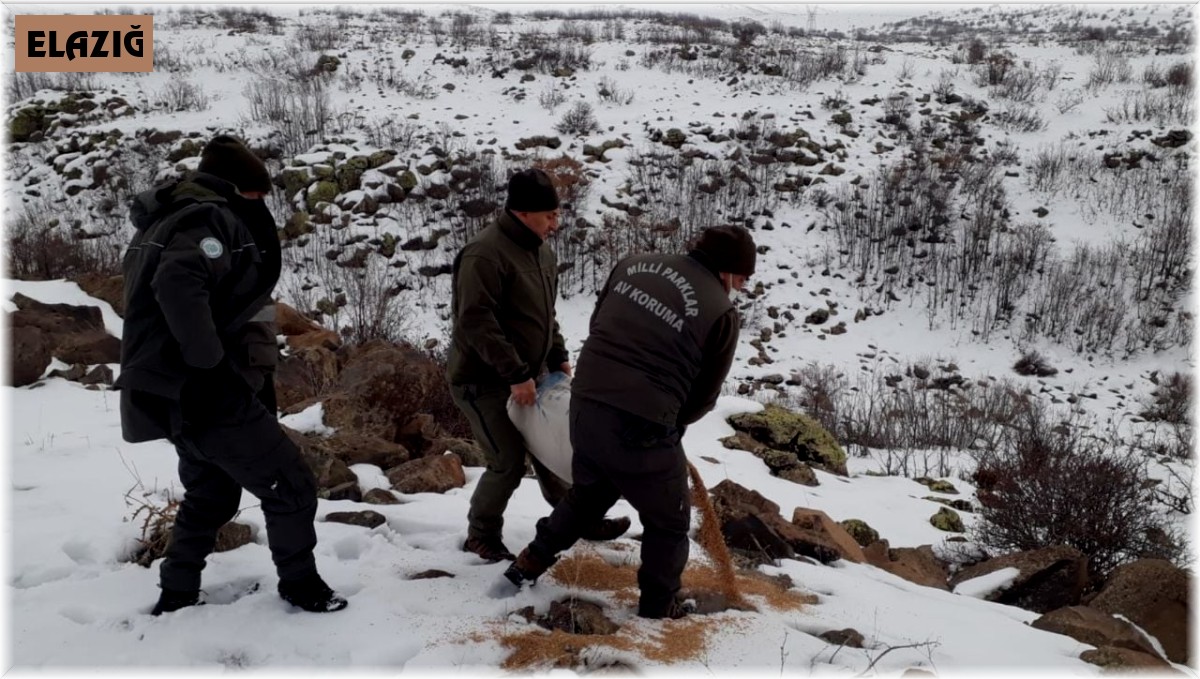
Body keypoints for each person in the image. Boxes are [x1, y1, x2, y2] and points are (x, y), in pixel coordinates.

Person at [114, 135, 347, 615]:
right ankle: (301, 586)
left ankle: (177, 590)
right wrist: (213, 365)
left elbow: (234, 299)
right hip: (209, 391)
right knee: (293, 487)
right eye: (258, 196)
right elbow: (178, 285)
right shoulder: (208, 220)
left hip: (185, 391)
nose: (262, 206)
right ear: (235, 188)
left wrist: (259, 351)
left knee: (212, 492)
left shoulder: (172, 216)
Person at [502, 225, 756, 619]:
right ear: (727, 270)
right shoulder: (721, 311)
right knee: (670, 522)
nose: (740, 286)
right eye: (742, 278)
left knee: (590, 493)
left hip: (585, 401)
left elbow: (599, 323)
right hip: (644, 422)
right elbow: (705, 394)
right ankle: (659, 607)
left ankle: (530, 562)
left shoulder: (633, 264)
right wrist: (669, 424)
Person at [447, 168, 630, 563]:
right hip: (482, 381)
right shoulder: (484, 254)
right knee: (507, 462)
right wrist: (515, 375)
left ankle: (578, 518)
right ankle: (481, 535)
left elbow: (545, 316)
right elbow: (476, 323)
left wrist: (558, 355)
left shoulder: (541, 251)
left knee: (557, 447)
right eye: (549, 215)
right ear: (524, 212)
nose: (555, 223)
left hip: (531, 375)